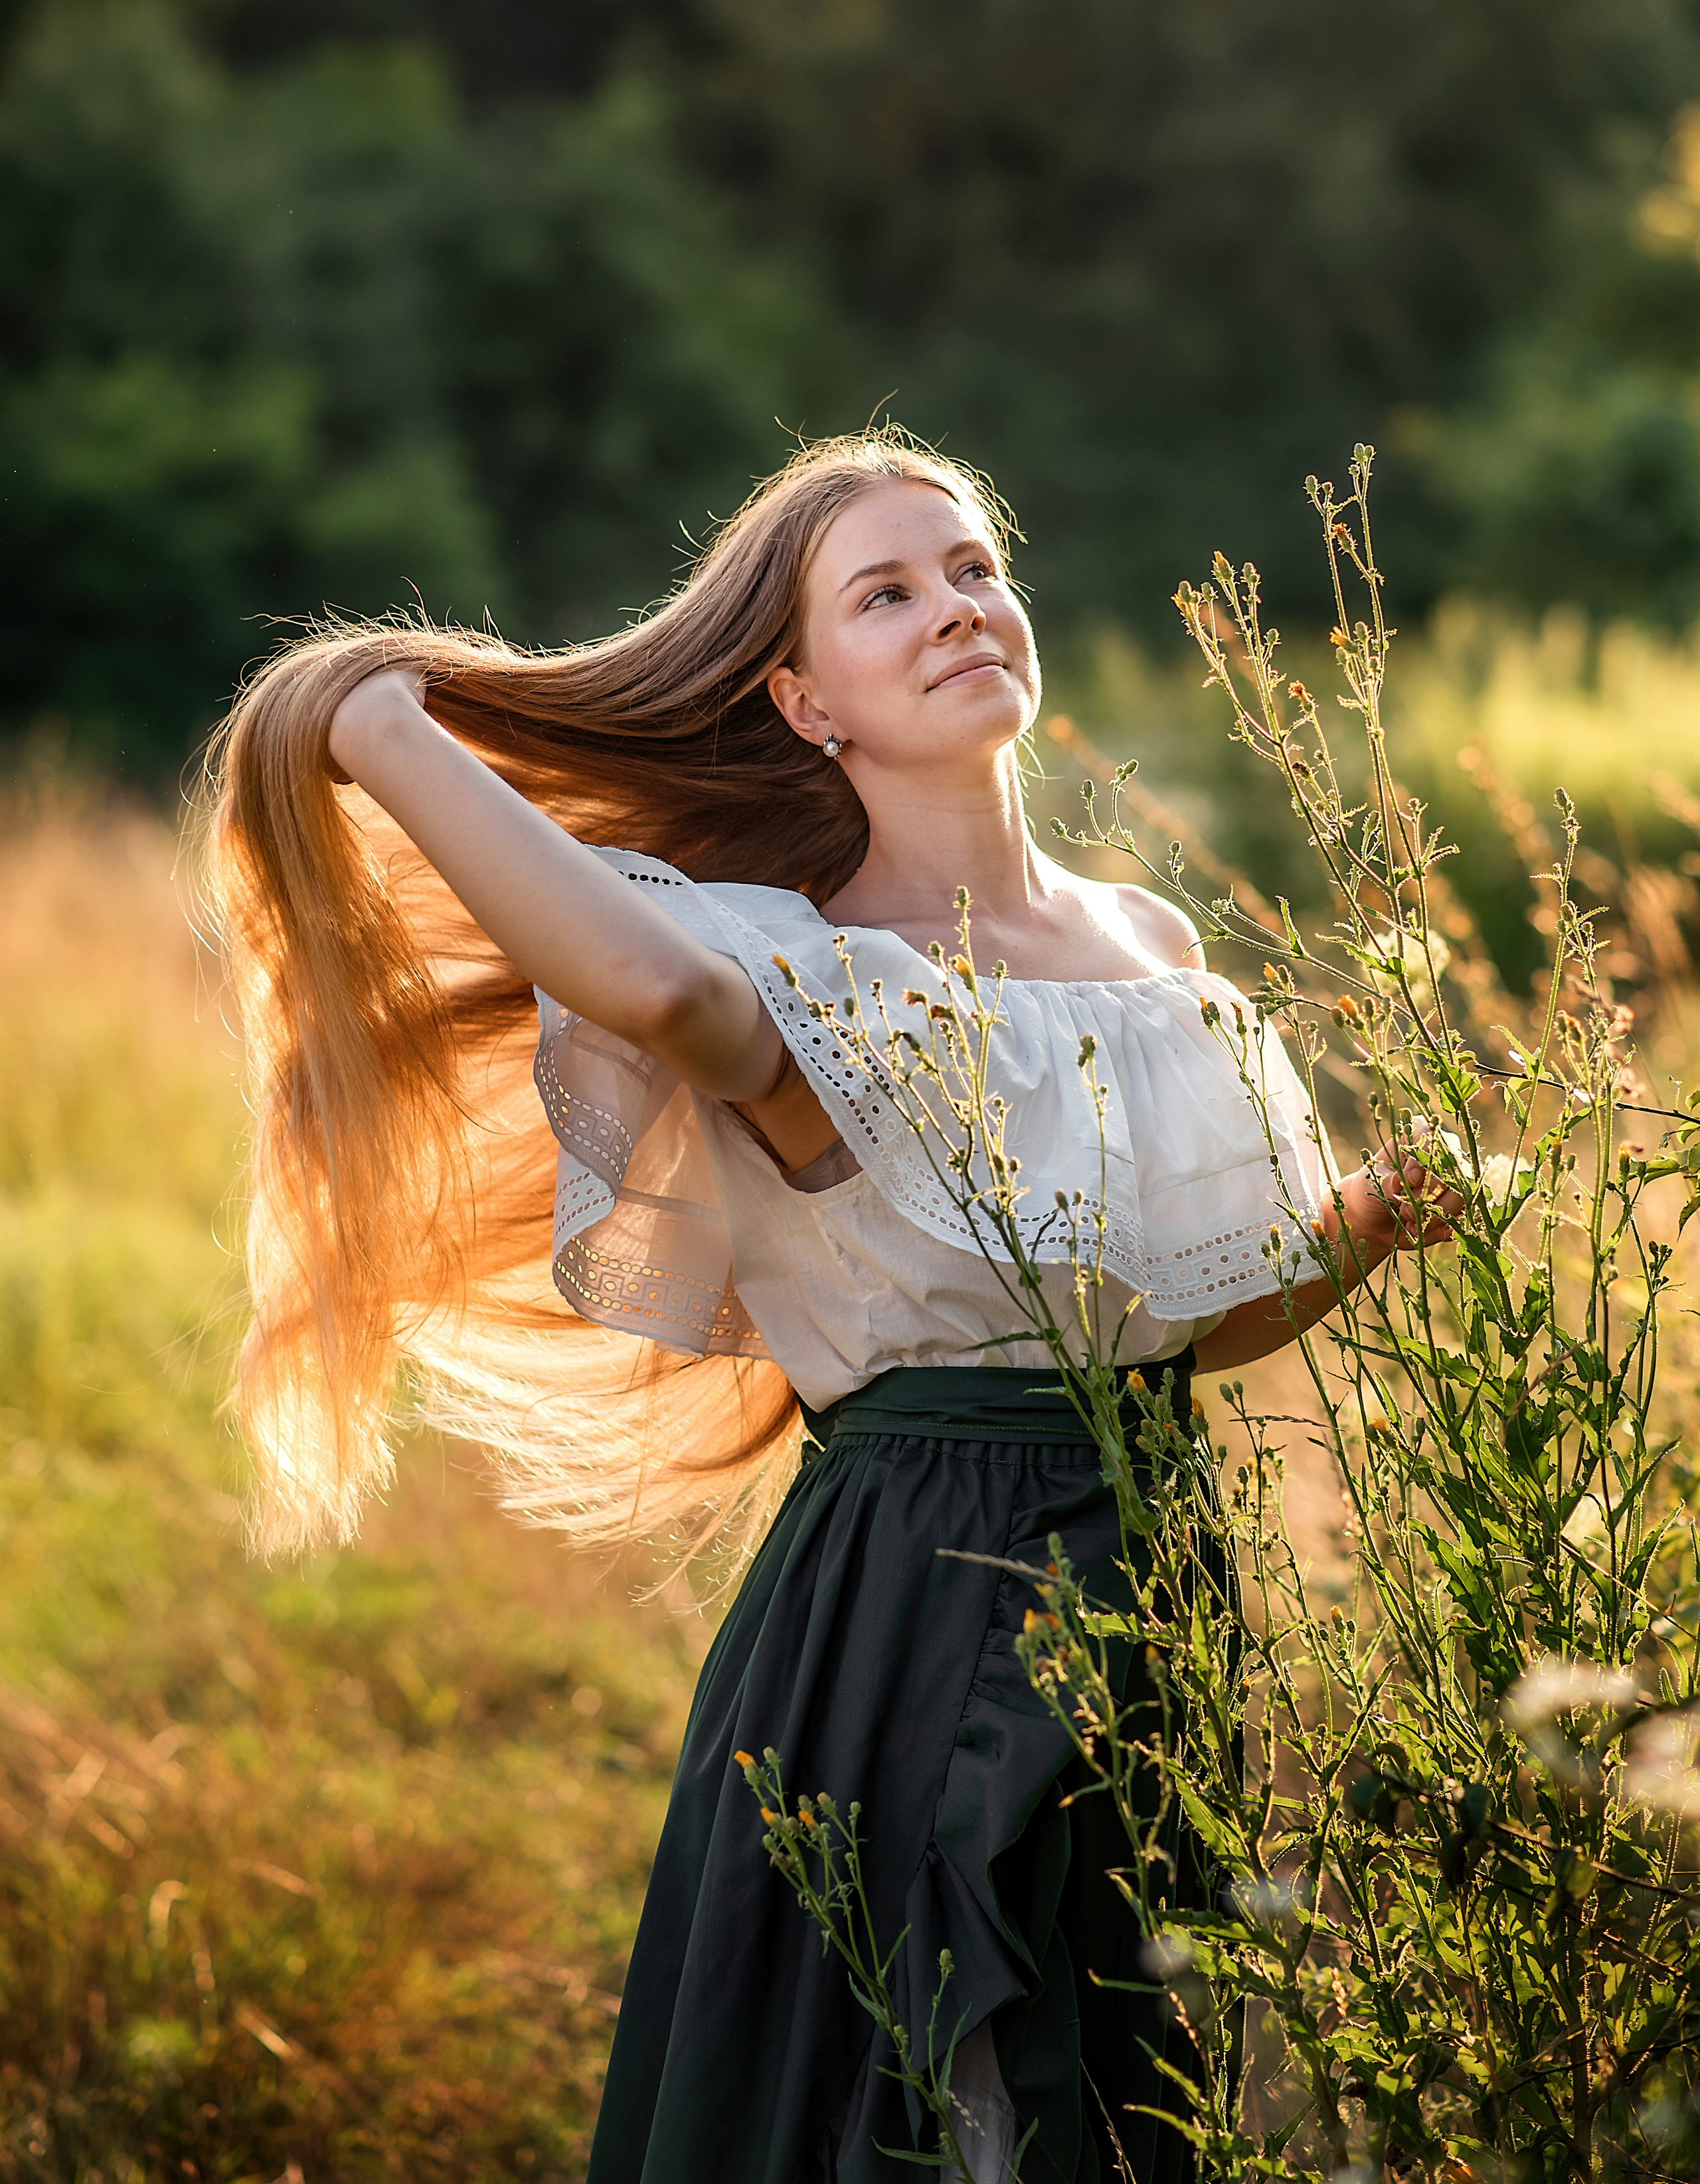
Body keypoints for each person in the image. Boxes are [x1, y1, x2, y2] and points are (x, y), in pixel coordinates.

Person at [204, 430, 1448, 2184]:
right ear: (804, 703)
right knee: (900, 2094)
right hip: (908, 1586)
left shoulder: (1156, 954)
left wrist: (1371, 1221)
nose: (955, 608)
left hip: (1148, 1572)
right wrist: (372, 723)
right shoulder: (802, 971)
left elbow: (1202, 1316)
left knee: (1110, 2078)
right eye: (888, 594)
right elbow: (637, 977)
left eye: (971, 570)